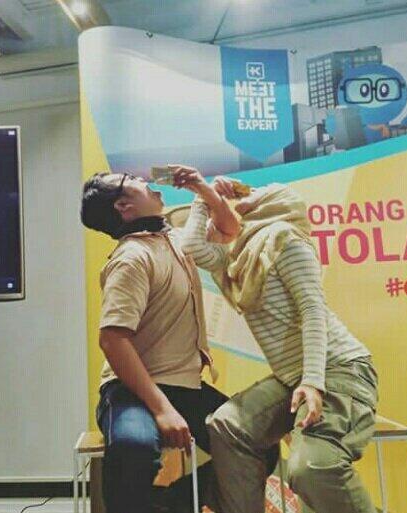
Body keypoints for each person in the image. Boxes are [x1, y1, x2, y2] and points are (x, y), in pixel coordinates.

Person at [174, 168, 379, 513]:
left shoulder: (287, 239)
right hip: (293, 377)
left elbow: (313, 309)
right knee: (228, 426)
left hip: (338, 369)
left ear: (279, 201)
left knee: (311, 469)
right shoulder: (242, 257)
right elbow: (192, 247)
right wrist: (202, 196)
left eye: (261, 189)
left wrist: (312, 381)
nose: (247, 192)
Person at [79, 167, 239, 513]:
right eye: (131, 179)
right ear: (123, 206)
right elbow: (113, 340)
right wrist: (163, 409)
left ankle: (169, 505)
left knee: (254, 439)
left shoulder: (176, 239)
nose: (143, 180)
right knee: (134, 448)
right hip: (131, 392)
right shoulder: (131, 258)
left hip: (186, 387)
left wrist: (203, 189)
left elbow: (229, 230)